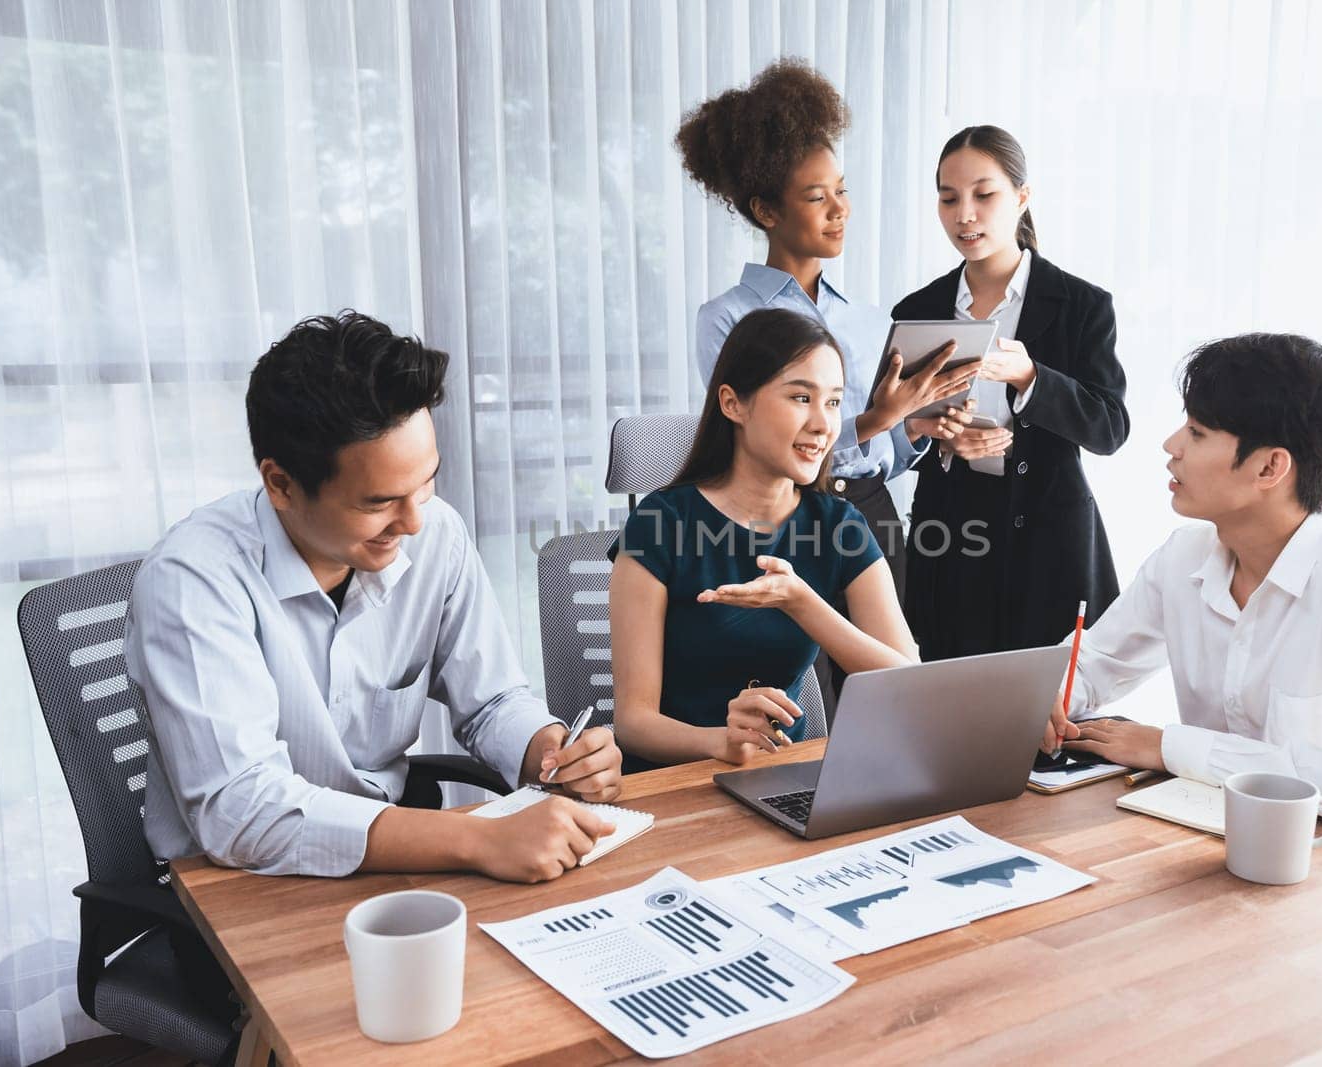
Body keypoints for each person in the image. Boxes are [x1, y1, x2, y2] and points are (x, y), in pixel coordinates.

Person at [127, 311, 624, 886]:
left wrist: (552, 754)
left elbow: (490, 701)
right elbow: (241, 810)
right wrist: (477, 838)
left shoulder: (436, 531)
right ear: (281, 484)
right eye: (378, 503)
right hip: (239, 882)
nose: (413, 521)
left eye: (427, 481)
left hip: (395, 857)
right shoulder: (193, 580)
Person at [1050, 333, 1322, 832]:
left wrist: (1169, 747)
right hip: (1209, 842)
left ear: (1269, 466)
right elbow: (1094, 663)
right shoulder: (1182, 558)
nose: (1171, 447)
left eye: (1196, 433)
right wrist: (1049, 699)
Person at [678, 58, 974, 622]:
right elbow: (760, 447)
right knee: (805, 701)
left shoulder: (866, 320)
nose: (841, 210)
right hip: (784, 519)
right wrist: (876, 420)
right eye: (818, 198)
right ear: (767, 210)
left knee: (891, 692)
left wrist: (912, 425)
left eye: (842, 191)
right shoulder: (729, 317)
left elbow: (879, 459)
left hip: (872, 517)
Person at [608, 308, 918, 773]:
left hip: (779, 780)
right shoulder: (660, 524)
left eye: (833, 402)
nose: (823, 424)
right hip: (670, 789)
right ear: (734, 404)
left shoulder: (839, 526)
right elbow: (633, 722)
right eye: (800, 397)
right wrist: (720, 742)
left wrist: (801, 602)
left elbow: (909, 683)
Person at [892, 125, 1130, 662]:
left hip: (1047, 539)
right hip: (951, 538)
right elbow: (893, 430)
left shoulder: (1080, 304)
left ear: (1022, 197)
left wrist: (1031, 378)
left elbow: (1110, 427)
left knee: (1047, 726)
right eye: (949, 198)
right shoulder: (916, 310)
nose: (965, 214)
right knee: (948, 719)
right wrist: (938, 440)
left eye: (984, 194)